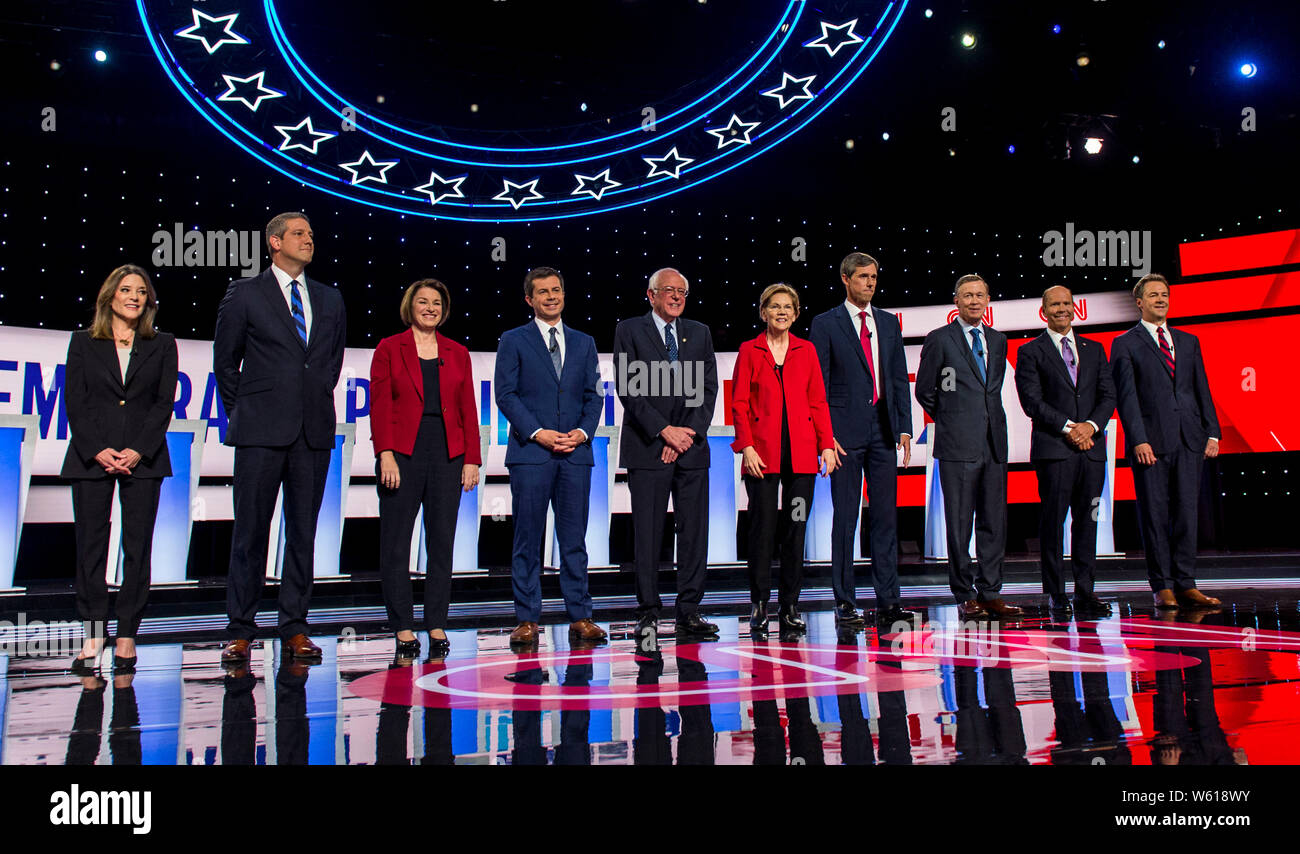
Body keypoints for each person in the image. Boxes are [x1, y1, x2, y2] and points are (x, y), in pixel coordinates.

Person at [213, 212, 346, 663]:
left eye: (311, 233)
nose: (308, 239)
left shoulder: (330, 299)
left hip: (312, 432)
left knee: (303, 534)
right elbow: (226, 363)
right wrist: (244, 413)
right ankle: (240, 628)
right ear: (274, 242)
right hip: (259, 433)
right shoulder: (245, 293)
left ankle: (294, 626)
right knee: (250, 532)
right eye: (298, 234)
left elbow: (330, 364)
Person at [63, 264, 178, 673]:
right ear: (109, 295)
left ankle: (128, 632)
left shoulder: (162, 343)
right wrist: (98, 450)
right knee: (90, 548)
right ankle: (94, 632)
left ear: (148, 301)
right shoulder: (82, 342)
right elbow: (75, 402)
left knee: (138, 547)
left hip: (142, 460)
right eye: (126, 289)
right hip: (91, 457)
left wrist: (137, 450)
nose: (134, 296)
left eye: (141, 292)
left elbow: (165, 402)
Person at [493, 266, 605, 646]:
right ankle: (527, 619)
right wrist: (539, 433)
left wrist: (582, 432)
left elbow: (594, 396)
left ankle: (581, 617)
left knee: (573, 540)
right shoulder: (513, 340)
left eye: (556, 290)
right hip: (531, 454)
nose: (552, 297)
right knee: (528, 538)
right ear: (530, 299)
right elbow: (505, 395)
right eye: (543, 292)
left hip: (576, 454)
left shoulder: (584, 341)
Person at [370, 278, 481, 658]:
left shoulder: (458, 352)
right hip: (402, 452)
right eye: (423, 301)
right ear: (410, 306)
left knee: (441, 544)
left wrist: (471, 458)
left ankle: (436, 623)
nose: (430, 308)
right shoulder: (389, 348)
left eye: (436, 302)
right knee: (396, 544)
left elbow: (468, 407)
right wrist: (385, 452)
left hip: (448, 452)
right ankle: (402, 625)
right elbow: (380, 405)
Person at [613, 268, 719, 640]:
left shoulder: (700, 332)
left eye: (682, 292)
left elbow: (707, 390)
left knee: (693, 533)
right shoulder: (629, 330)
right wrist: (664, 432)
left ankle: (689, 611)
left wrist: (684, 436)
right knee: (648, 533)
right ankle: (648, 612)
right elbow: (630, 388)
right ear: (651, 294)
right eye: (668, 291)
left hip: (689, 450)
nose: (676, 297)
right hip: (648, 448)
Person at [810, 252, 914, 627]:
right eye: (864, 277)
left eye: (874, 277)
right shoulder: (826, 324)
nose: (870, 283)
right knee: (846, 518)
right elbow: (817, 384)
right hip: (844, 434)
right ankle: (845, 602)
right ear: (845, 278)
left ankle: (889, 601)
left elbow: (898, 378)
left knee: (886, 519)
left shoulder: (887, 322)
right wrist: (826, 435)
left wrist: (904, 428)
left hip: (884, 431)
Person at [1110, 273, 1221, 609]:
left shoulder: (1187, 341)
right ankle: (1162, 586)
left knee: (1187, 513)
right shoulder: (1125, 343)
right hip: (1151, 444)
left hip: (1190, 439)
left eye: (1164, 294)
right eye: (1153, 295)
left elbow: (1201, 388)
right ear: (1139, 302)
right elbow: (1126, 398)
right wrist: (1138, 440)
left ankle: (1186, 583)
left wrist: (1212, 431)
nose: (1160, 299)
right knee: (1155, 515)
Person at [915, 274, 1023, 618]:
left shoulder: (998, 340)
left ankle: (991, 591)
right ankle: (964, 595)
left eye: (979, 295)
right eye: (967, 296)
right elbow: (925, 391)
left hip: (994, 444)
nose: (974, 301)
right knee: (959, 525)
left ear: (988, 299)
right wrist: (953, 419)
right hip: (956, 446)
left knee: (994, 522)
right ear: (956, 302)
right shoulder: (940, 339)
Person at [731, 284, 837, 635]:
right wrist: (745, 446)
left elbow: (818, 402)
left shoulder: (806, 351)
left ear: (796, 313)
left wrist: (826, 445)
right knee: (762, 532)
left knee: (795, 530)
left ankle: (790, 606)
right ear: (763, 312)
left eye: (788, 307)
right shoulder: (750, 350)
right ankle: (759, 605)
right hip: (762, 455)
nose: (781, 312)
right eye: (774, 307)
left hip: (802, 459)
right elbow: (740, 403)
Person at [1013, 285, 1115, 616]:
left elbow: (1107, 396)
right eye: (1055, 304)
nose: (1062, 309)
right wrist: (1072, 427)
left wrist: (1091, 427)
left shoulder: (1095, 349)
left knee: (1088, 521)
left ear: (1075, 308)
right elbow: (1032, 402)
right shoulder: (1031, 352)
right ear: (1044, 311)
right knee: (1054, 522)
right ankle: (1057, 594)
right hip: (1055, 449)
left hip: (1092, 449)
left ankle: (1086, 592)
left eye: (1067, 303)